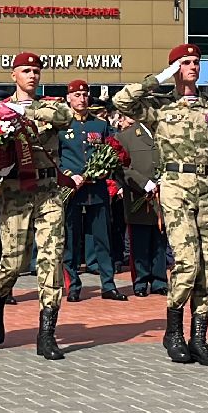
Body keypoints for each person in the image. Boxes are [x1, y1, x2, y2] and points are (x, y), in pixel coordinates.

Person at [112, 43, 208, 365]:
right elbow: (120, 100)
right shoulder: (158, 107)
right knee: (188, 263)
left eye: (196, 62)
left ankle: (200, 338)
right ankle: (174, 331)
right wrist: (158, 79)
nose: (192, 67)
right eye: (185, 62)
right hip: (176, 188)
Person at [0, 54, 78, 359]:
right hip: (15, 191)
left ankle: (47, 333)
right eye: (26, 71)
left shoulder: (48, 104)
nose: (32, 75)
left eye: (36, 71)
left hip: (48, 190)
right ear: (13, 75)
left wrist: (28, 114)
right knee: (14, 262)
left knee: (52, 259)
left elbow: (65, 114)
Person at [58, 80, 125, 302]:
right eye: (76, 95)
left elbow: (112, 151)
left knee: (103, 238)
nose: (82, 98)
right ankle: (73, 285)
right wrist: (68, 174)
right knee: (72, 239)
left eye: (85, 94)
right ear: (68, 98)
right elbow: (55, 157)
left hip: (97, 189)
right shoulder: (62, 126)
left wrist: (106, 169)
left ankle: (108, 284)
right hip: (73, 190)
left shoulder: (99, 125)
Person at [114, 105, 167, 298]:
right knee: (141, 241)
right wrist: (144, 183)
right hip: (139, 196)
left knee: (160, 241)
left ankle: (160, 280)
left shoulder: (165, 134)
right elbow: (121, 168)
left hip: (164, 196)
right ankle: (141, 280)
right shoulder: (126, 137)